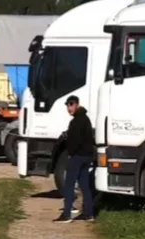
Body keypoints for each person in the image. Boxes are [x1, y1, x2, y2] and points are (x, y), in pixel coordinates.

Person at [53, 95, 95, 223]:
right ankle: (88, 214)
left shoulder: (77, 121)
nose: (69, 107)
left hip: (78, 156)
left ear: (77, 104)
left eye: (71, 104)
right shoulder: (85, 118)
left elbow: (75, 140)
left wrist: (71, 153)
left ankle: (66, 214)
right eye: (67, 105)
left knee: (69, 184)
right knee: (84, 185)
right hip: (87, 156)